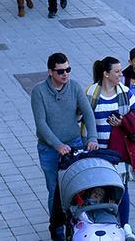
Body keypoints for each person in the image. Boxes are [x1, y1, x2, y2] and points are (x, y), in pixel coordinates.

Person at [30, 52, 98, 241]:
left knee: (78, 187)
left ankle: (76, 222)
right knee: (55, 190)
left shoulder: (74, 87)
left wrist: (92, 137)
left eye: (68, 70)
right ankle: (56, 226)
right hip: (49, 149)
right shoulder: (39, 92)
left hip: (74, 144)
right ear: (50, 72)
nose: (65, 74)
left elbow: (88, 113)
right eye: (60, 71)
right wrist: (58, 145)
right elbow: (41, 124)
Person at [85, 57, 135, 225]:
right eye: (116, 71)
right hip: (98, 153)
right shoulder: (91, 93)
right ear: (105, 74)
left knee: (122, 189)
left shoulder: (124, 93)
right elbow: (81, 120)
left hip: (119, 153)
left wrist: (124, 122)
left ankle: (124, 225)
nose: (121, 74)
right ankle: (98, 223)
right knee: (97, 190)